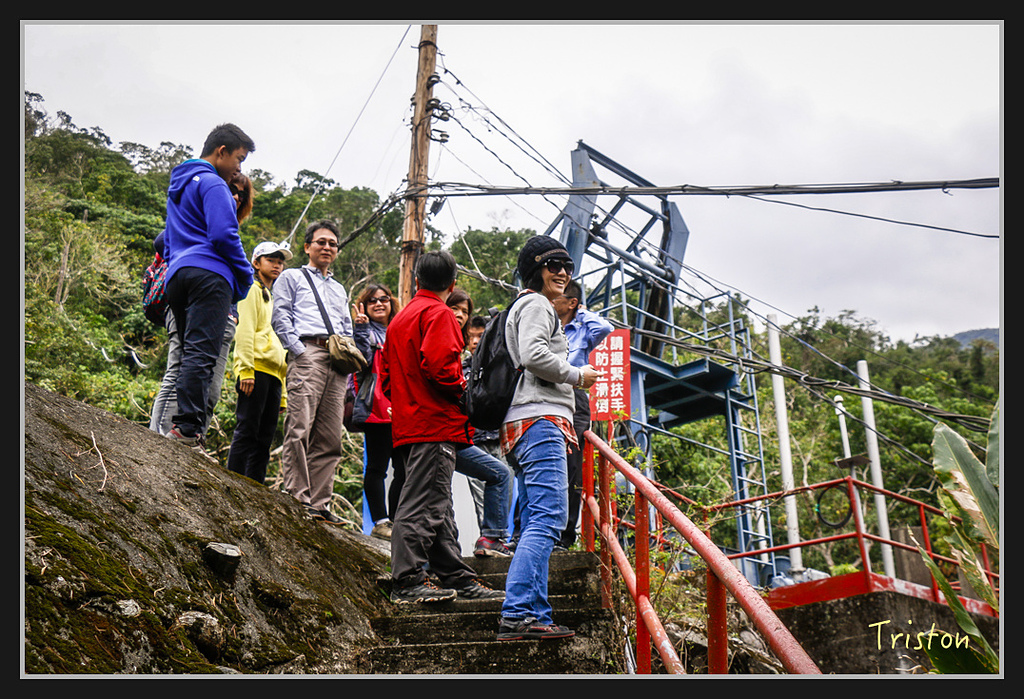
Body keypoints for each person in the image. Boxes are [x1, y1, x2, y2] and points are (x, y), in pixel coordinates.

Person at [380, 251, 503, 604]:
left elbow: (386, 381)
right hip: (434, 425)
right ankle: (407, 580)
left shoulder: (400, 320)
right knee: (423, 504)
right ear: (451, 285)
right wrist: (464, 393)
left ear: (417, 280)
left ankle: (457, 576)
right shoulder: (440, 315)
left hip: (408, 424)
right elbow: (440, 368)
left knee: (439, 504)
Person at [496, 236, 601, 641]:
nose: (562, 272)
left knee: (542, 518)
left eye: (567, 266)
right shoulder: (537, 305)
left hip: (529, 422)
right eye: (553, 264)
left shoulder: (523, 306)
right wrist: (578, 375)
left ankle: (536, 612)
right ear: (534, 270)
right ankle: (517, 613)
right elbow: (533, 355)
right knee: (546, 519)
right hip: (539, 421)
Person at [162, 123, 255, 447]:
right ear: (221, 152)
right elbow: (222, 235)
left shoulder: (180, 186)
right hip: (210, 277)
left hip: (177, 276)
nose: (239, 169)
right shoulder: (214, 184)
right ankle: (187, 430)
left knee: (190, 353)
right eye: (239, 160)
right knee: (203, 354)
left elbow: (165, 240)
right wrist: (245, 274)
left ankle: (182, 427)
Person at [271, 220, 353, 524]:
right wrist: (299, 351)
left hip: (337, 360)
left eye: (332, 243)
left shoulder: (339, 288)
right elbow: (280, 317)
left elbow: (346, 326)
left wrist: (348, 355)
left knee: (330, 436)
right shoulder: (291, 277)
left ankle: (320, 503)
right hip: (308, 353)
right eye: (321, 242)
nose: (327, 247)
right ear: (307, 247)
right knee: (300, 426)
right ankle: (297, 496)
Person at [445, 289, 514, 558]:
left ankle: (497, 539)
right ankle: (490, 541)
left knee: (503, 485)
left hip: (499, 435)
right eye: (471, 337)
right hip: (472, 438)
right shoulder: (461, 366)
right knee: (481, 491)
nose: (475, 342)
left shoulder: (498, 365)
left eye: (480, 336)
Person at [551, 278, 613, 550]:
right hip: (550, 391)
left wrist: (583, 311)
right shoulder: (548, 324)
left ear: (572, 303)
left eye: (559, 298)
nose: (553, 301)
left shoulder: (582, 328)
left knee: (572, 466)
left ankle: (565, 536)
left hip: (574, 393)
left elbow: (606, 327)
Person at [226, 240, 292, 484]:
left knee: (265, 437)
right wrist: (245, 370)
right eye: (271, 260)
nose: (277, 265)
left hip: (274, 374)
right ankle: (233, 481)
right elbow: (244, 331)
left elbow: (280, 344)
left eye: (280, 261)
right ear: (256, 263)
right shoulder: (251, 289)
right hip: (256, 369)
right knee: (247, 429)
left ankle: (255, 485)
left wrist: (283, 392)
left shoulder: (274, 297)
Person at [350, 282, 403, 540]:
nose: (379, 303)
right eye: (373, 300)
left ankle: (395, 521)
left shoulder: (398, 329)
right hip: (376, 406)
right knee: (377, 467)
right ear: (365, 306)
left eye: (384, 298)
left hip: (402, 406)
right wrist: (360, 329)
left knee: (403, 468)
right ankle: (380, 522)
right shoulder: (364, 331)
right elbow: (361, 360)